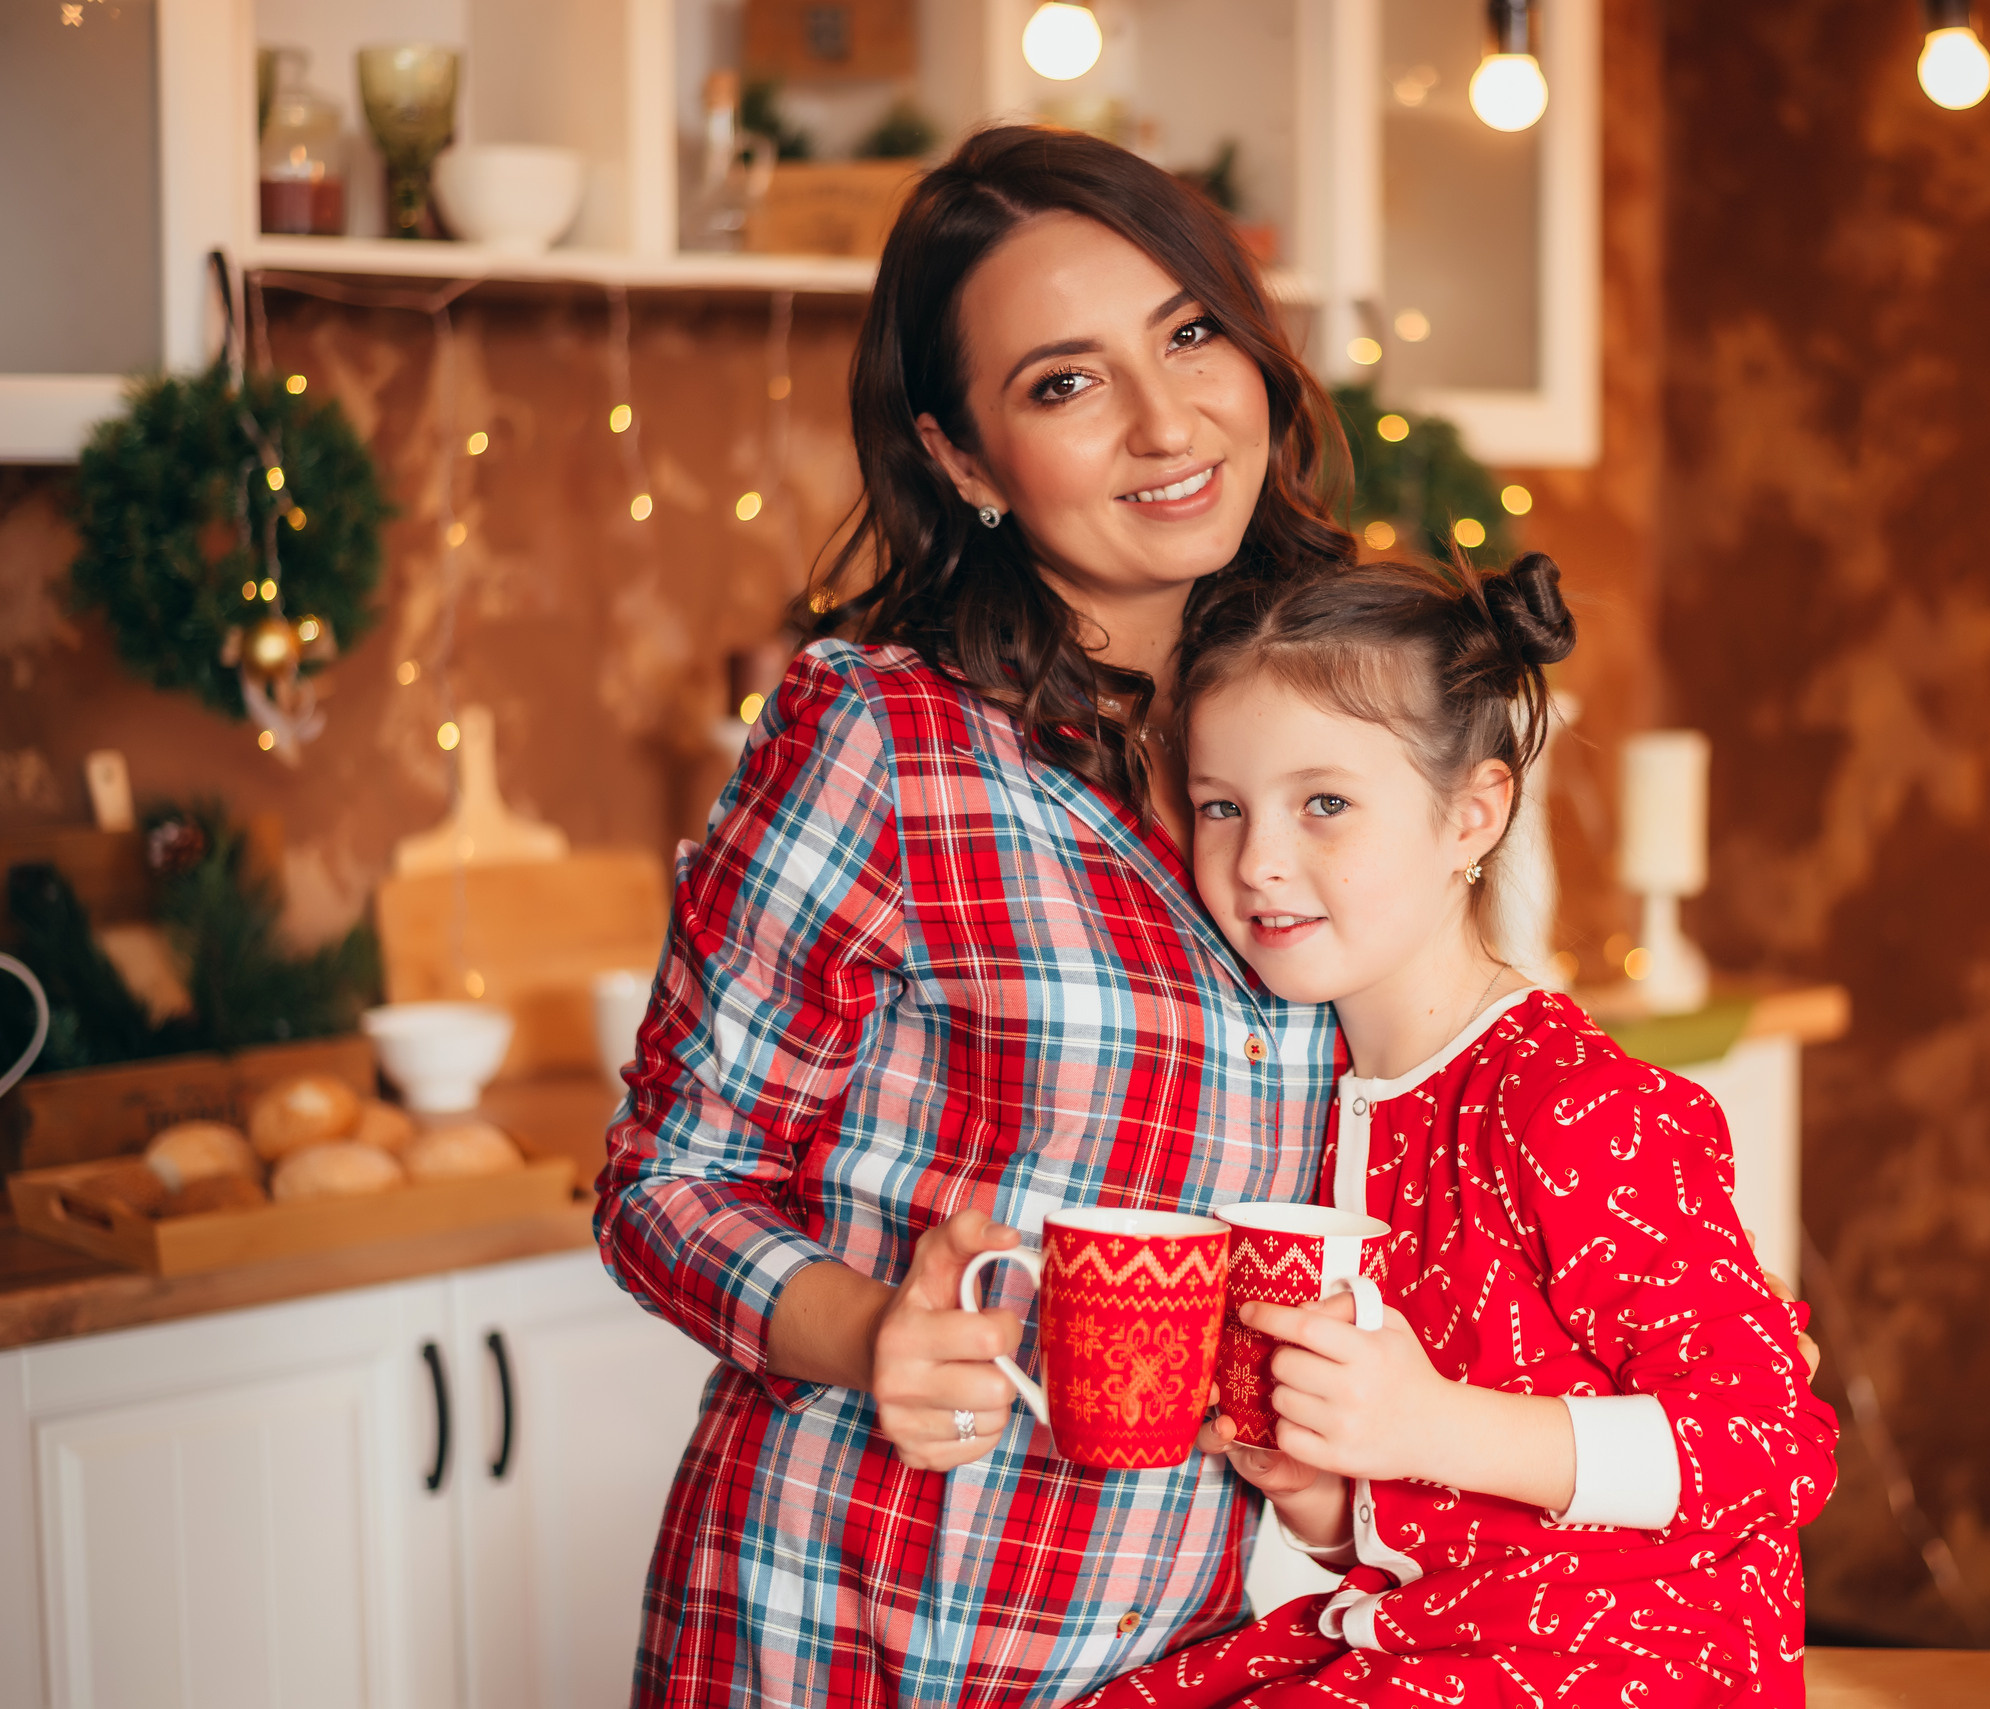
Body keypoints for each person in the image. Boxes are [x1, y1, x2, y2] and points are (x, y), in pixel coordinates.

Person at [592, 124, 1356, 1708]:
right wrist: (872, 1329)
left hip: (1163, 1640)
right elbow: (663, 1182)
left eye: (1191, 331)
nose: (1168, 420)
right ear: (960, 458)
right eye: (1064, 384)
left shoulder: (1319, 734)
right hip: (851, 1624)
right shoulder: (879, 738)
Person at [1076, 554, 1840, 1706]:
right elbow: (1454, 1534)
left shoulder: (1570, 1106)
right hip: (1423, 1640)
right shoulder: (1311, 1093)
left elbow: (1771, 1445)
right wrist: (1323, 1496)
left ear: (1472, 813)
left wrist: (1427, 1419)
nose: (1259, 859)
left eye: (1323, 802)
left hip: (1621, 1666)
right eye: (1222, 804)